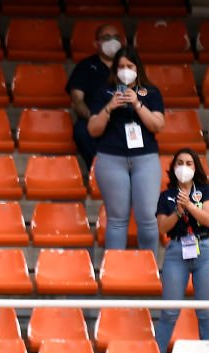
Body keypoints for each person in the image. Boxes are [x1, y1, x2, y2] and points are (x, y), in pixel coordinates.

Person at [88, 46, 166, 252]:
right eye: (121, 66)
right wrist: (110, 107)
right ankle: (115, 270)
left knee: (148, 217)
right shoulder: (104, 91)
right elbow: (93, 129)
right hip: (111, 158)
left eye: (129, 66)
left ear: (137, 68)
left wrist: (138, 104)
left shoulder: (151, 92)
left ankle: (148, 268)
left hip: (145, 158)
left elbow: (157, 125)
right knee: (117, 219)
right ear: (115, 69)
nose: (125, 70)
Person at [154, 148, 209, 353]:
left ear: (195, 167)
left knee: (206, 312)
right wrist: (178, 211)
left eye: (189, 163)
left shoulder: (206, 190)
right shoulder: (166, 196)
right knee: (170, 312)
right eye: (180, 162)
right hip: (176, 251)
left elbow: (208, 219)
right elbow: (163, 227)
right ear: (174, 167)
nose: (184, 167)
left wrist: (188, 204)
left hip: (205, 250)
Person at [67, 23, 126, 169]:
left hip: (122, 119)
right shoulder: (85, 66)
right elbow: (77, 100)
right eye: (106, 37)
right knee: (81, 132)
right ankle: (99, 170)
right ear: (97, 43)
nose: (112, 41)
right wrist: (93, 118)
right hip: (92, 118)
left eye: (116, 38)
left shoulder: (128, 66)